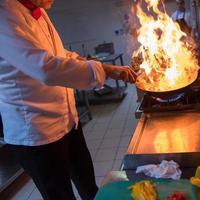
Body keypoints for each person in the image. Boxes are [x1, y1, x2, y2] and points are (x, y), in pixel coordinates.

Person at [0, 0, 137, 199]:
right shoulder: (5, 15)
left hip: (67, 121)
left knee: (89, 187)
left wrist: (107, 68)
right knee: (60, 196)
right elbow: (45, 68)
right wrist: (104, 70)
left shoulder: (37, 12)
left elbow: (60, 55)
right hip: (36, 132)